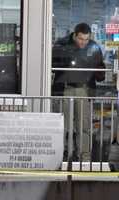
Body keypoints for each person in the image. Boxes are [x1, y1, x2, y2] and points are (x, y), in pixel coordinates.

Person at [52, 23, 105, 160]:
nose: (83, 42)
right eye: (81, 39)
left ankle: (84, 157)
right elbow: (52, 65)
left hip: (84, 89)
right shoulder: (61, 44)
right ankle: (61, 156)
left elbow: (101, 71)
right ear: (74, 35)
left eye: (86, 39)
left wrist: (99, 72)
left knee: (84, 126)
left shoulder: (93, 47)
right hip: (65, 88)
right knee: (62, 126)